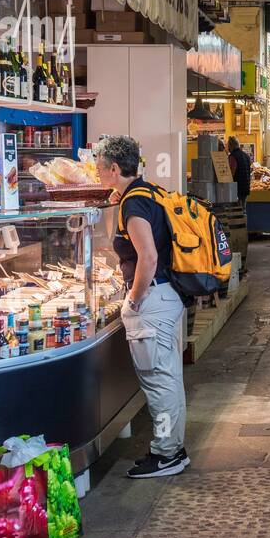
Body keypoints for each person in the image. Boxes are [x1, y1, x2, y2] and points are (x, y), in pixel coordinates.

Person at [96, 135, 190, 480]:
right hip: (167, 297)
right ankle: (172, 448)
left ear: (115, 168)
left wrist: (133, 300)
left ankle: (167, 455)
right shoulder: (148, 192)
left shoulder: (133, 205)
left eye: (100, 169)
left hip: (151, 300)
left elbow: (147, 257)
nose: (98, 175)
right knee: (168, 380)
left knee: (159, 383)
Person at [227, 136, 252, 202]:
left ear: (231, 146)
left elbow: (231, 173)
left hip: (237, 188)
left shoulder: (233, 156)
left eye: (228, 145)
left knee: (238, 210)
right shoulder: (246, 155)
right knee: (244, 209)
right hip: (246, 187)